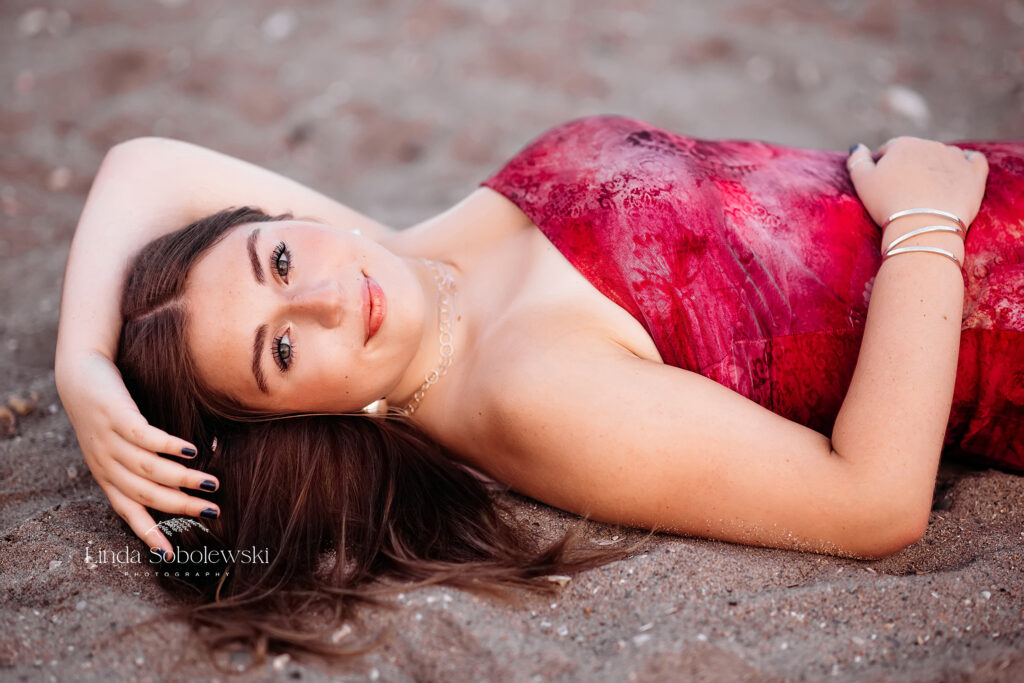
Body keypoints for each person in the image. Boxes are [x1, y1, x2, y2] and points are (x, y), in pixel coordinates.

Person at [55, 114, 1021, 659]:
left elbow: (143, 163)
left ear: (272, 217)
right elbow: (871, 501)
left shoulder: (401, 259)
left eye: (273, 259)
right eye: (280, 352)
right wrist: (929, 223)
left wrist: (82, 366)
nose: (322, 299)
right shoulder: (525, 391)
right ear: (310, 415)